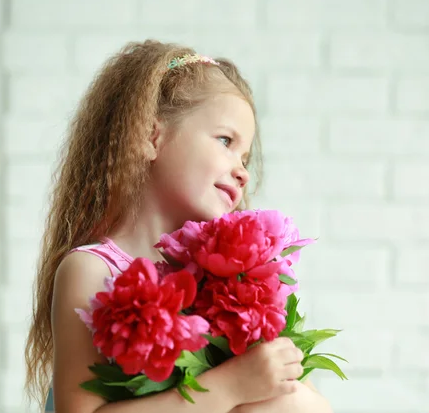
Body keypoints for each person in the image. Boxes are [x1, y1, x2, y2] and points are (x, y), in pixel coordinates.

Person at [24, 40, 333, 413]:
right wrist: (232, 387)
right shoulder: (91, 270)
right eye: (225, 141)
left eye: (245, 156)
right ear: (151, 137)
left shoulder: (229, 283)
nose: (243, 172)